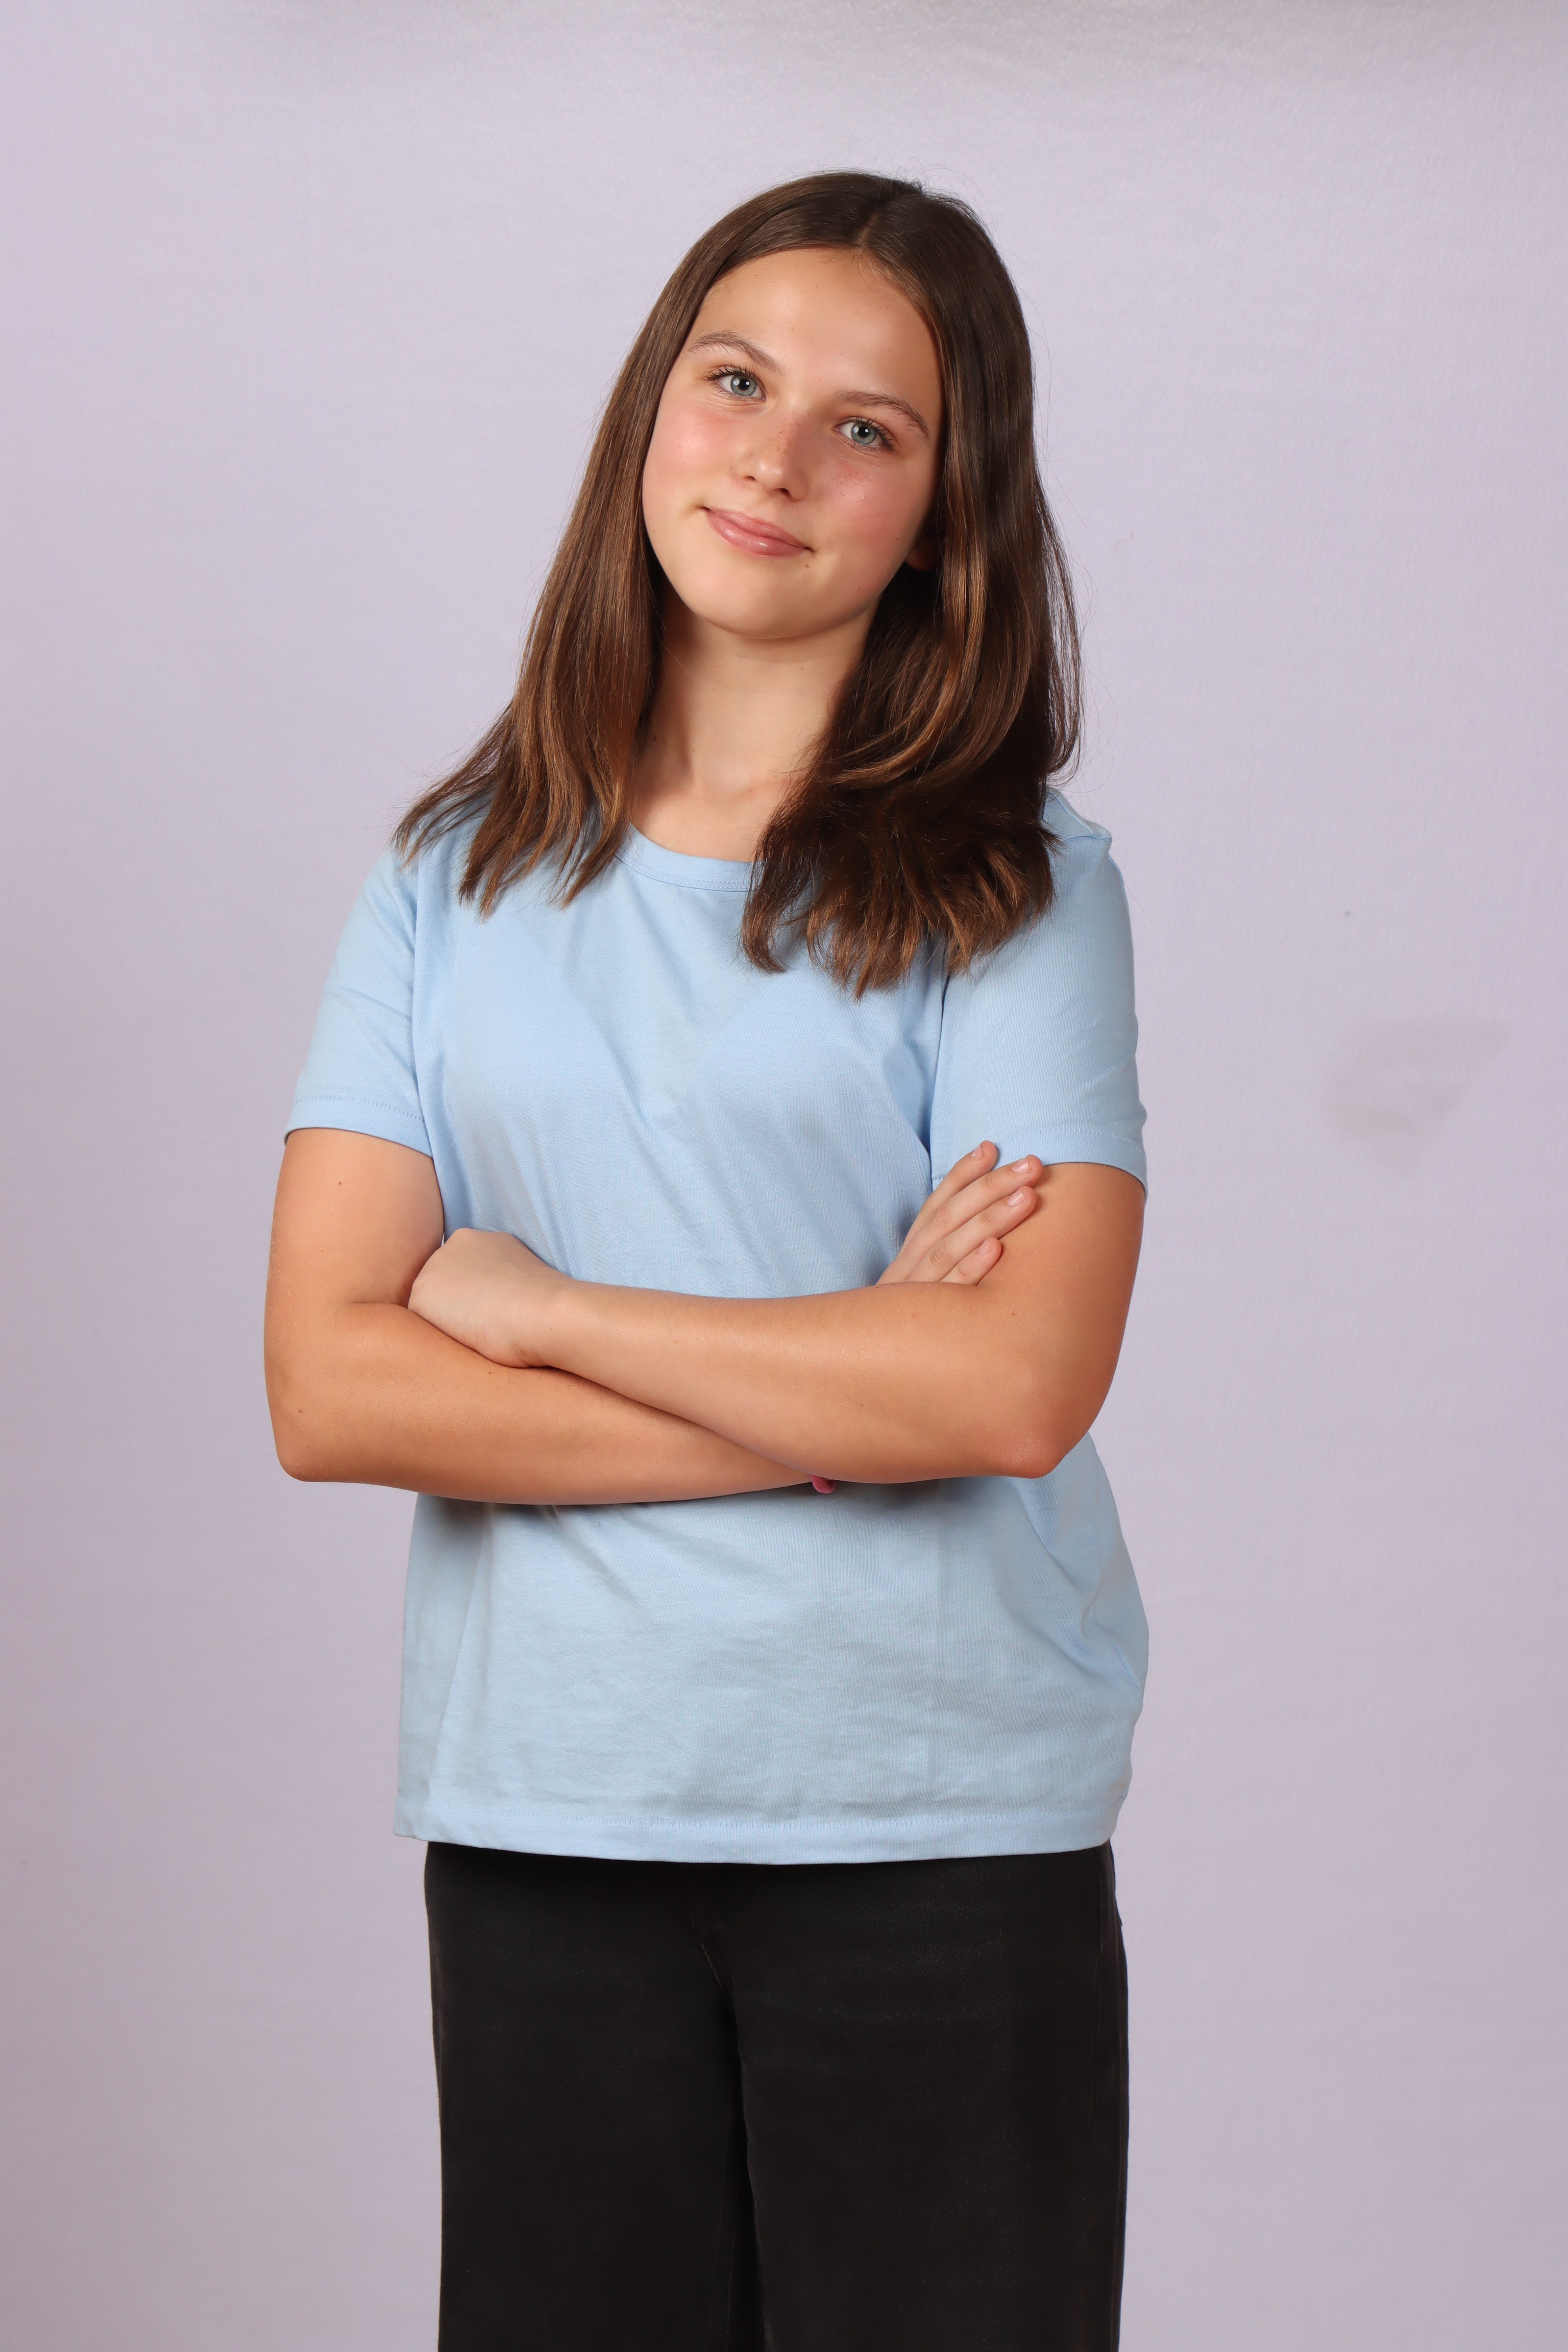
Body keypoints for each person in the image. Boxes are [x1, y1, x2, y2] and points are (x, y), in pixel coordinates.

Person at [265, 171, 1148, 2352]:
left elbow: (1009, 1390)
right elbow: (331, 1388)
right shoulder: (451, 877)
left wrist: (542, 1313)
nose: (774, 459)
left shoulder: (1021, 888)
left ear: (941, 515)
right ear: (649, 413)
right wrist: (842, 1397)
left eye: (867, 427)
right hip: (549, 1808)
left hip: (932, 1820)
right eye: (735, 383)